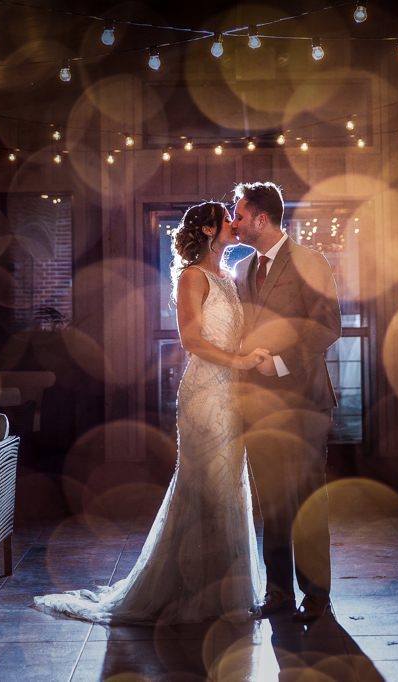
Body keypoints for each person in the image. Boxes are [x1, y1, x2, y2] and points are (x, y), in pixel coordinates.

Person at [34, 201, 268, 624]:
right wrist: (239, 362)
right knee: (204, 485)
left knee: (229, 485)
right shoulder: (193, 278)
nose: (234, 225)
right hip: (204, 393)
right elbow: (192, 341)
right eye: (226, 220)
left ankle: (228, 589)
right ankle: (195, 589)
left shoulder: (230, 277)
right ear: (210, 230)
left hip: (234, 395)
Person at [230, 181, 341, 622]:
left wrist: (278, 363)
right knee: (272, 502)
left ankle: (316, 595)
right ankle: (276, 591)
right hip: (257, 405)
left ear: (261, 218)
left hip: (304, 401)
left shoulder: (310, 261)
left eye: (239, 215)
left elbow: (328, 326)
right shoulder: (241, 270)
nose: (233, 223)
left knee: (308, 500)